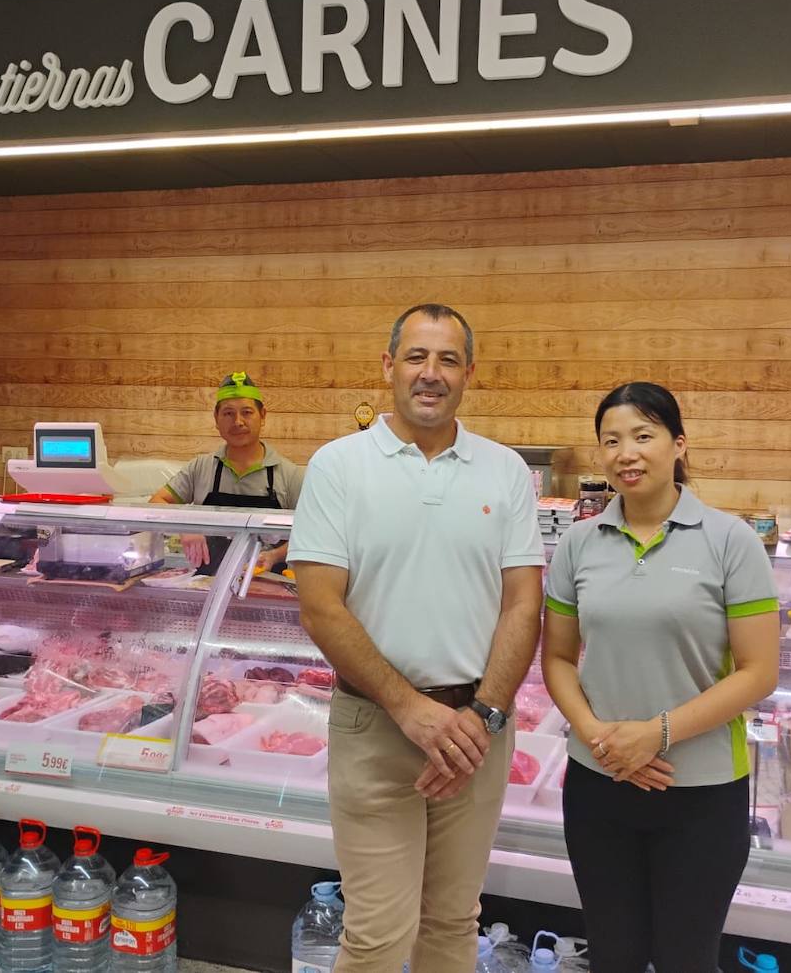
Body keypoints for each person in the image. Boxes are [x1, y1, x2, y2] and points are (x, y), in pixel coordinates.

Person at [289, 304, 545, 973]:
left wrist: (483, 717)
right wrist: (410, 708)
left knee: (454, 926)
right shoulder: (338, 466)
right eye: (417, 357)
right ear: (389, 366)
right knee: (378, 933)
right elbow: (320, 608)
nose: (431, 374)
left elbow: (524, 604)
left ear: (469, 374)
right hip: (375, 727)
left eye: (448, 360)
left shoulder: (506, 471)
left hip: (477, 734)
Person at [541, 382, 780, 973]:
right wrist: (599, 734)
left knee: (687, 959)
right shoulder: (577, 543)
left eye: (644, 436)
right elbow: (557, 660)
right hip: (598, 785)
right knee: (613, 956)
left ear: (678, 444)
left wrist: (656, 733)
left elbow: (759, 671)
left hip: (701, 793)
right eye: (612, 440)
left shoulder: (731, 541)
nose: (628, 453)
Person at [149, 372, 303, 575]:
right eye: (228, 413)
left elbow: (313, 532)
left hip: (268, 590)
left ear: (263, 415)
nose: (238, 421)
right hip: (209, 589)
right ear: (216, 418)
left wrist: (274, 555)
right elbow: (156, 501)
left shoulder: (289, 475)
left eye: (247, 412)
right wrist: (187, 526)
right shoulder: (200, 468)